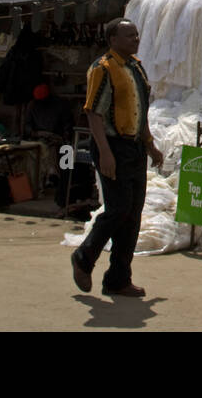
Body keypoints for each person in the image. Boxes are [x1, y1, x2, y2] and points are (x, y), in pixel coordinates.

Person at [70, 18, 164, 297]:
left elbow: (141, 111)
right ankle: (84, 257)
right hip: (112, 146)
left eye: (135, 35)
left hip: (134, 148)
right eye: (128, 36)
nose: (135, 39)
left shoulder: (136, 68)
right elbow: (93, 113)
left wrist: (150, 144)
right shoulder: (103, 69)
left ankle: (118, 278)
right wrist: (106, 154)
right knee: (118, 209)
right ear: (112, 39)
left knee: (133, 214)